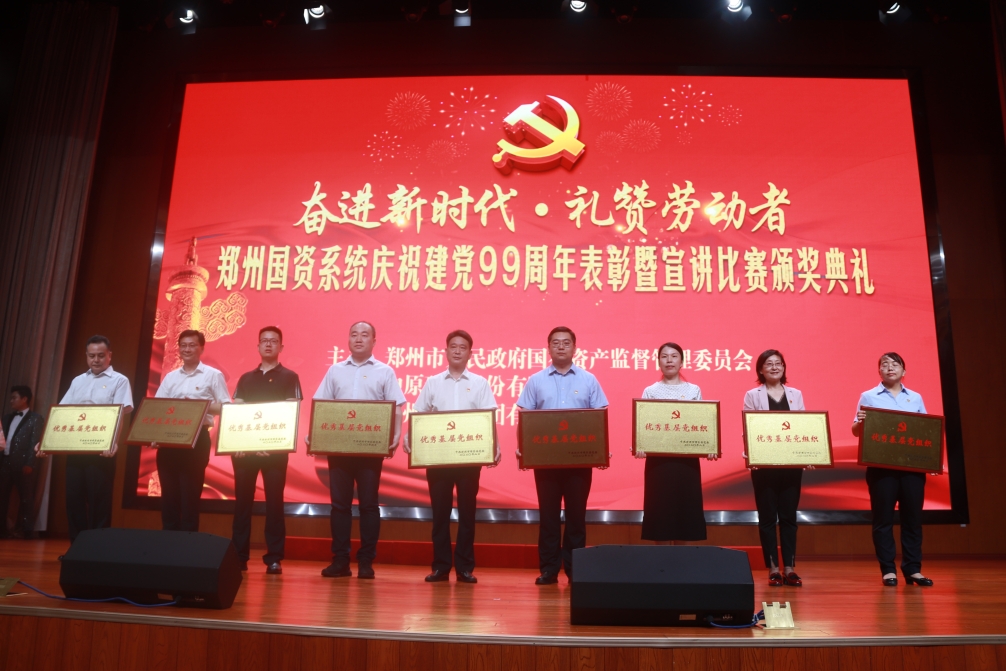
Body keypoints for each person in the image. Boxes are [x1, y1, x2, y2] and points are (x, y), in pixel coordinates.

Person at [313, 321, 405, 579]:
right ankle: (340, 561)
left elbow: (397, 407)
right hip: (339, 447)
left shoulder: (385, 371)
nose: (359, 339)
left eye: (365, 335)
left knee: (369, 505)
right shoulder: (335, 370)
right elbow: (321, 405)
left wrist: (396, 435)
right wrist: (315, 434)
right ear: (348, 339)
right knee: (339, 506)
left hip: (370, 449)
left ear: (374, 341)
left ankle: (366, 561)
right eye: (354, 334)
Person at [516, 326, 608, 585]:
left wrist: (601, 449)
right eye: (555, 342)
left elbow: (599, 418)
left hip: (579, 461)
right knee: (548, 516)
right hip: (546, 462)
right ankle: (549, 569)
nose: (561, 346)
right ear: (548, 348)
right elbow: (524, 418)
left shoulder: (589, 379)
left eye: (566, 342)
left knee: (576, 517)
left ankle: (575, 569)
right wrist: (523, 449)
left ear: (574, 348)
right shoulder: (536, 380)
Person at [407, 330, 499, 584]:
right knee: (440, 514)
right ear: (446, 351)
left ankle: (464, 568)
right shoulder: (433, 382)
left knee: (467, 513)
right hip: (438, 459)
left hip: (469, 458)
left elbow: (488, 418)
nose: (457, 351)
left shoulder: (480, 383)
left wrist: (495, 446)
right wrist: (409, 439)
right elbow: (419, 414)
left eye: (463, 347)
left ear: (470, 353)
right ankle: (440, 567)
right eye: (453, 346)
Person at [852, 352, 933, 587]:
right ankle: (888, 570)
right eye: (885, 364)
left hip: (912, 469)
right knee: (883, 520)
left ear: (903, 371)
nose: (890, 368)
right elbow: (856, 431)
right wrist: (860, 421)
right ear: (879, 371)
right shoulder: (868, 396)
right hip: (881, 468)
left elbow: (927, 430)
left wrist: (931, 461)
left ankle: (913, 569)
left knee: (912, 520)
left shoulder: (915, 398)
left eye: (895, 364)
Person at [230, 326, 302, 575]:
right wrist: (238, 443)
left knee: (274, 503)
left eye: (273, 341)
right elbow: (237, 412)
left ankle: (274, 557)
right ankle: (239, 556)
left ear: (281, 347)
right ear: (258, 346)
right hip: (244, 452)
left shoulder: (290, 376)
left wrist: (270, 444)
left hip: (274, 451)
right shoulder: (246, 378)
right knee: (242, 504)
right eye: (264, 341)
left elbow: (291, 412)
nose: (268, 344)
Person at [54, 336, 134, 542]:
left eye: (100, 355)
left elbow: (119, 416)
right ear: (86, 356)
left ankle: (97, 550)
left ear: (109, 355)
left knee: (99, 502)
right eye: (91, 356)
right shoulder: (78, 380)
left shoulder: (119, 380)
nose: (96, 360)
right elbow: (61, 413)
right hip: (75, 448)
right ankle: (76, 548)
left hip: (101, 450)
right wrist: (46, 441)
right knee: (74, 501)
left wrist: (113, 442)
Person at [635, 343, 714, 547]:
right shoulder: (651, 391)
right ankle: (662, 563)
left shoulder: (693, 390)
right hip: (658, 463)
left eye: (674, 356)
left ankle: (681, 562)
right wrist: (640, 444)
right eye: (664, 356)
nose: (669, 360)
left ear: (682, 362)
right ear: (658, 362)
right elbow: (644, 425)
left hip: (686, 462)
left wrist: (710, 446)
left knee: (685, 512)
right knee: (659, 510)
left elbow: (701, 424)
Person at [153, 329, 231, 532]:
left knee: (190, 498)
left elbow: (226, 407)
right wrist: (153, 435)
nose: (187, 349)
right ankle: (169, 543)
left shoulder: (213, 375)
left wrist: (199, 406)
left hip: (197, 440)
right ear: (179, 348)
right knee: (169, 499)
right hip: (169, 441)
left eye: (192, 345)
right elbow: (157, 407)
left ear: (201, 348)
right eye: (183, 345)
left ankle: (188, 546)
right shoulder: (170, 377)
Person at [742, 349, 807, 587]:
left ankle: (789, 567)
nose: (774, 367)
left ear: (784, 368)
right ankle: (773, 568)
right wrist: (752, 455)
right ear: (761, 369)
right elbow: (749, 428)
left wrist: (810, 453)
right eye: (769, 364)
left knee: (789, 517)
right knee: (768, 517)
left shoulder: (795, 394)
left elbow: (803, 427)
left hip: (791, 465)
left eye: (778, 363)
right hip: (764, 465)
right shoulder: (752, 395)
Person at [1, 386, 44, 538]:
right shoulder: (6, 418)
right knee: (2, 497)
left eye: (14, 397)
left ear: (24, 399)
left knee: (26, 498)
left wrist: (30, 463)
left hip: (23, 464)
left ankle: (27, 532)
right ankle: (2, 530)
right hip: (5, 462)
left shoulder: (35, 418)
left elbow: (35, 441)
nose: (11, 401)